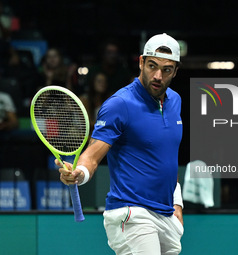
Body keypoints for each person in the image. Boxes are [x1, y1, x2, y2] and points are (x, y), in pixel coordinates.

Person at [56, 33, 184, 255]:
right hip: (132, 213)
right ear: (141, 62)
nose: (158, 76)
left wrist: (177, 203)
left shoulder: (175, 101)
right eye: (152, 66)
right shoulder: (120, 104)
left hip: (166, 216)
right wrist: (80, 172)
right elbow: (93, 155)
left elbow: (168, 157)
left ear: (175, 71)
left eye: (166, 70)